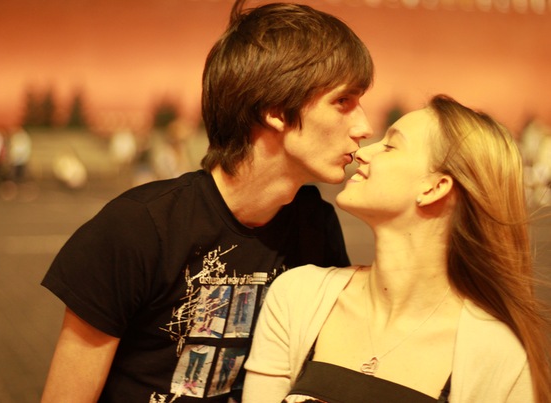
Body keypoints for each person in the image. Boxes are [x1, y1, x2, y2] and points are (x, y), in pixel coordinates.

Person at [40, 0, 374, 401]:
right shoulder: (139, 227)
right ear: (275, 110)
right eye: (343, 101)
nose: (364, 126)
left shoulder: (314, 225)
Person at [243, 95, 551, 403]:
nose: (362, 152)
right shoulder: (298, 296)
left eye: (390, 146)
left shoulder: (497, 354)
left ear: (435, 188)